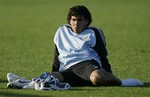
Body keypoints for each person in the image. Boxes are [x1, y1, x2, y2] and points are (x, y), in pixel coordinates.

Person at [7, 5, 143, 90]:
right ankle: (22, 83)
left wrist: (109, 75)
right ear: (69, 20)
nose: (76, 23)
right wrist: (54, 73)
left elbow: (103, 56)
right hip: (67, 68)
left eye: (80, 20)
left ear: (87, 21)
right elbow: (57, 55)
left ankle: (123, 82)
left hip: (87, 66)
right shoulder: (61, 31)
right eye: (73, 19)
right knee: (47, 77)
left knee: (97, 78)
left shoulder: (94, 32)